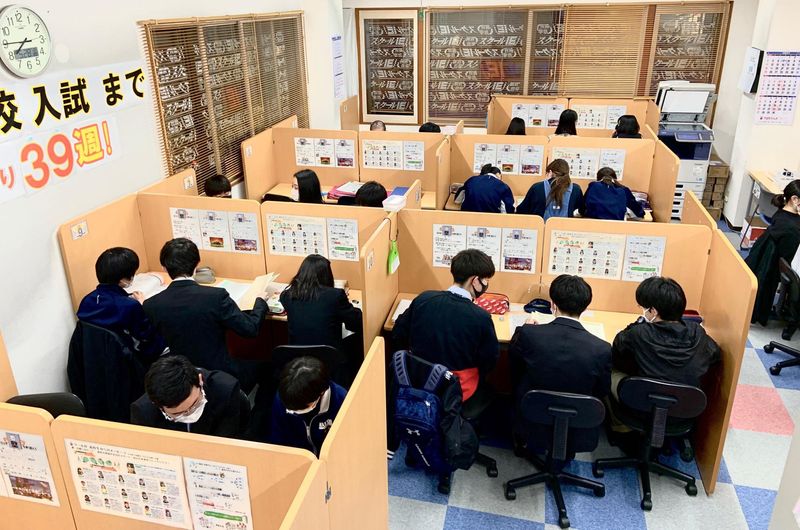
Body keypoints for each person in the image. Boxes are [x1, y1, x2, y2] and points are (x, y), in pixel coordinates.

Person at [510, 275, 611, 454]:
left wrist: (524, 329)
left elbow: (514, 365)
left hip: (534, 410)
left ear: (553, 304)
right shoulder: (601, 348)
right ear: (585, 307)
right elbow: (602, 390)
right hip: (578, 416)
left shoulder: (529, 334)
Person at [143, 238, 268, 377]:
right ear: (197, 264)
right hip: (218, 374)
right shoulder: (216, 297)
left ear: (164, 268)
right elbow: (250, 329)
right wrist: (260, 302)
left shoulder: (151, 305)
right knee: (266, 366)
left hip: (180, 376)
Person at [393, 249, 499, 402]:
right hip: (455, 389)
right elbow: (489, 360)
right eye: (485, 280)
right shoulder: (481, 317)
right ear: (475, 280)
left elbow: (398, 332)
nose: (486, 284)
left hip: (417, 379)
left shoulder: (424, 299)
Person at [611, 277, 720, 394]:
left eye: (643, 307)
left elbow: (617, 350)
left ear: (653, 311)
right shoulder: (697, 332)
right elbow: (715, 354)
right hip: (687, 401)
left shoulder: (639, 333)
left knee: (611, 371)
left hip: (643, 399)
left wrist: (637, 323)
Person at [77, 247, 167, 362]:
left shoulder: (87, 300)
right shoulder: (129, 306)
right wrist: (143, 306)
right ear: (123, 280)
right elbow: (146, 336)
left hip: (97, 359)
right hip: (129, 359)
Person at [131, 355, 244, 438]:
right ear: (158, 406)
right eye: (177, 414)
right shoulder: (143, 412)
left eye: (195, 404)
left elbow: (227, 438)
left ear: (200, 380)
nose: (189, 414)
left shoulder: (225, 390)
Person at [279, 254, 362, 354]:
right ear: (327, 275)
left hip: (297, 356)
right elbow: (355, 324)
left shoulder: (287, 296)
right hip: (329, 356)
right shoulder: (335, 296)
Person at [269, 356, 347, 455]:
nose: (296, 411)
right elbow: (278, 440)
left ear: (321, 392)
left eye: (301, 408)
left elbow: (346, 443)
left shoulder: (341, 400)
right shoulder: (284, 397)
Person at [747, 180, 800, 325]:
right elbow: (792, 258)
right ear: (795, 199)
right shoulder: (793, 228)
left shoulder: (781, 213)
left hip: (770, 265)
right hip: (781, 267)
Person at [516, 159, 583, 220]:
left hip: (540, 228)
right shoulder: (576, 189)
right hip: (566, 228)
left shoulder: (537, 187)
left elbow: (521, 210)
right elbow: (582, 210)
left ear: (550, 172)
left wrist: (545, 182)